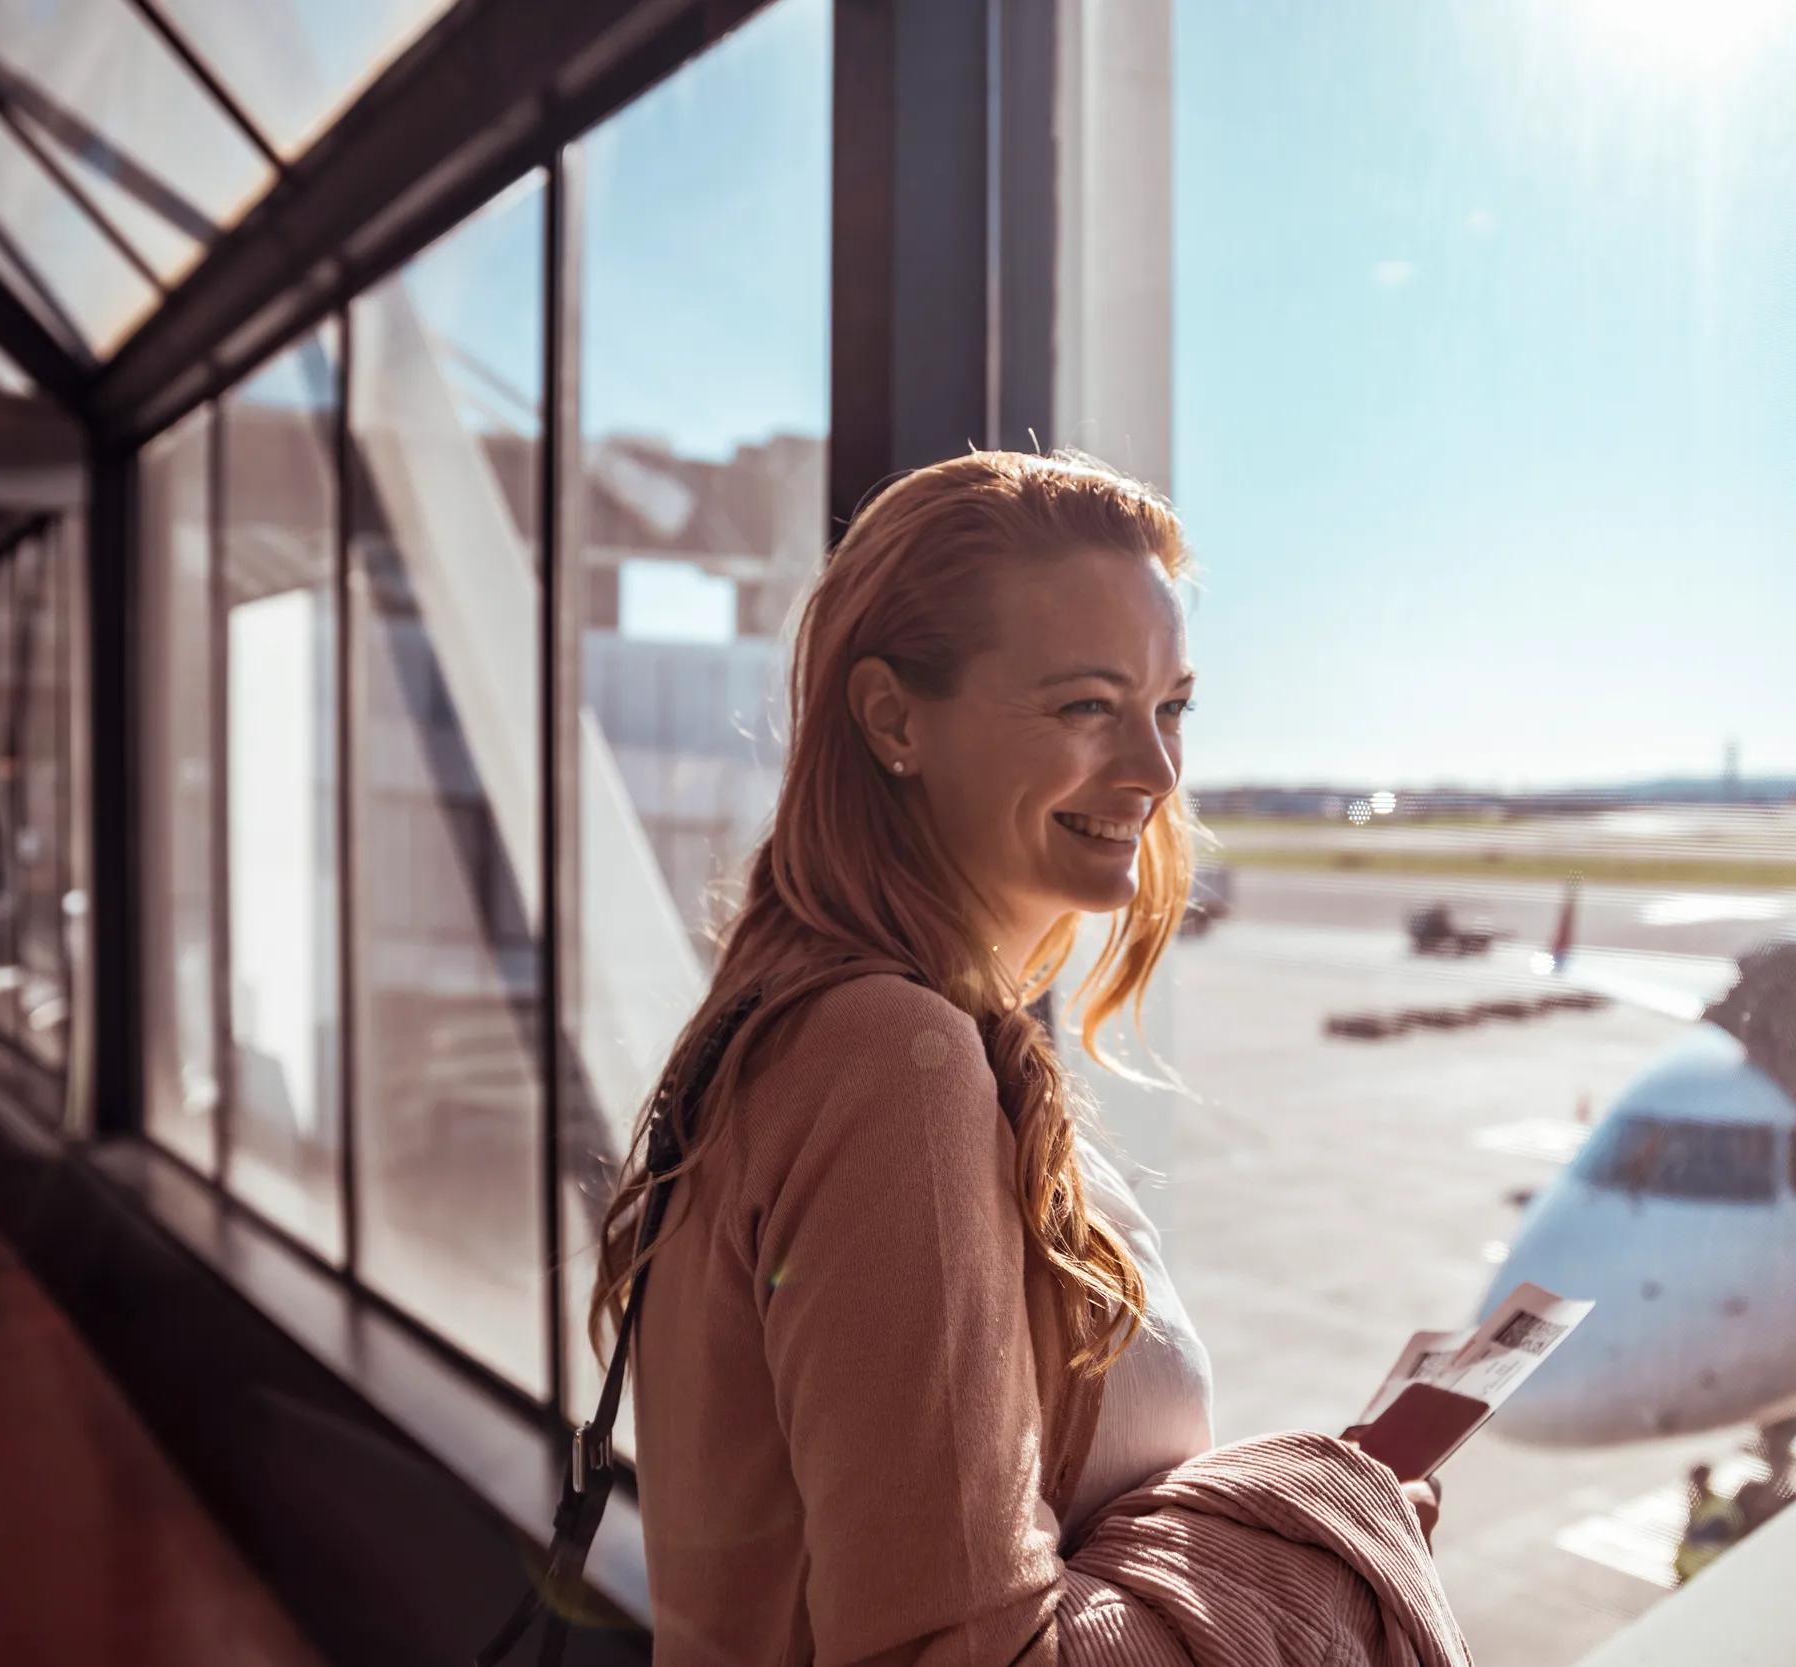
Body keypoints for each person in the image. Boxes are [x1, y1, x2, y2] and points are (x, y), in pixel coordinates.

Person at [590, 451, 1444, 1665]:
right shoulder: (895, 1059)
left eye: (1171, 706)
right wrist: (1320, 1536)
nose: (1155, 772)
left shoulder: (813, 1011)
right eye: (1087, 705)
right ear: (894, 719)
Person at [1675, 1462, 1744, 1584]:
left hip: (1712, 1559)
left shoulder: (1721, 1505)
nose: (1696, 1486)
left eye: (1699, 1481)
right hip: (1693, 1562)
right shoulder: (1697, 1507)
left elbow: (1723, 1530)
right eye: (1694, 1483)